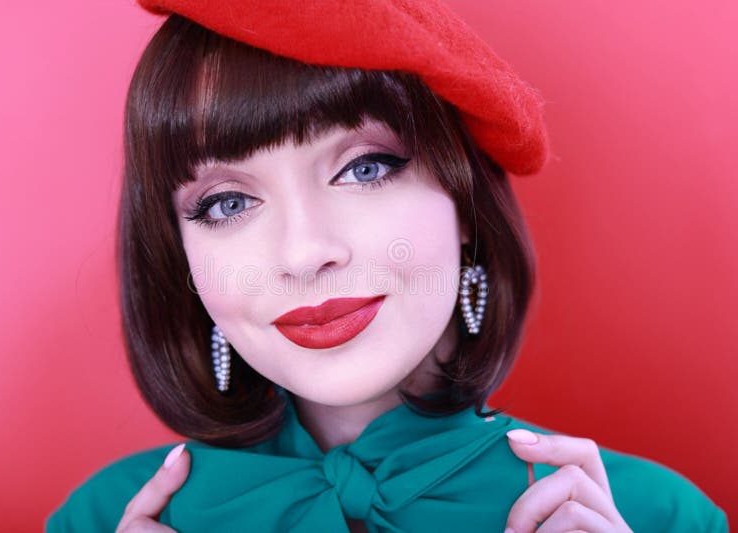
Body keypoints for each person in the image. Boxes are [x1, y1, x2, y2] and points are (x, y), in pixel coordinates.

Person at [46, 1, 728, 532]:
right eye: (226, 203)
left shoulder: (657, 516)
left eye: (365, 168)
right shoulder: (104, 517)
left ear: (465, 203)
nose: (304, 251)